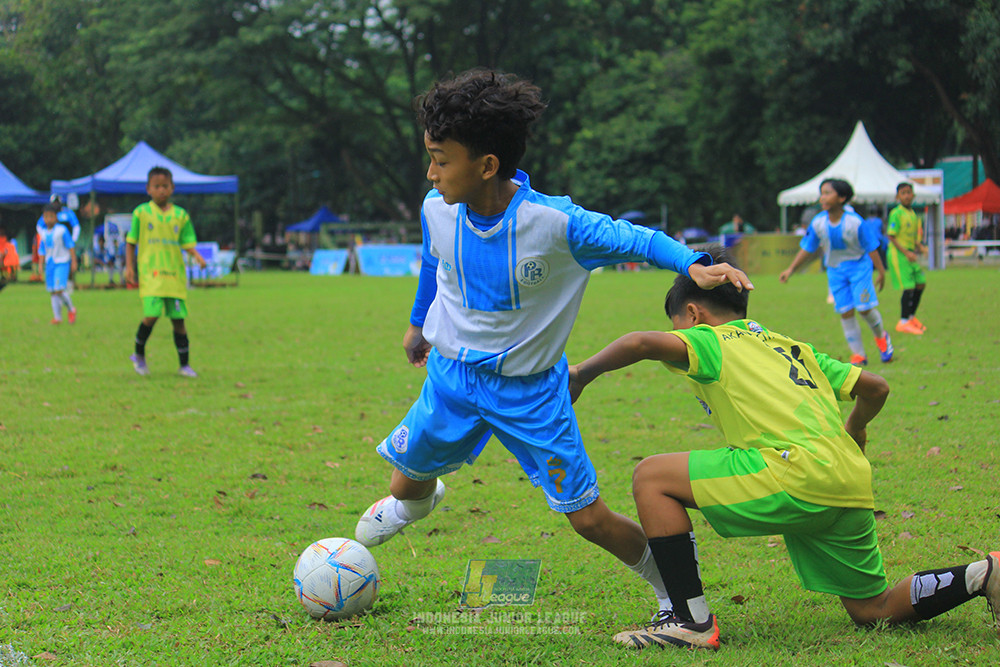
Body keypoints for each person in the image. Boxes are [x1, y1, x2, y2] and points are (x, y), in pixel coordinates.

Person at [352, 68, 753, 615]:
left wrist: (694, 264)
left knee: (586, 518)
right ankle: (414, 504)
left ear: (487, 165)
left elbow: (634, 236)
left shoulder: (556, 224)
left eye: (441, 160)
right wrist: (418, 323)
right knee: (405, 486)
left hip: (532, 394)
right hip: (451, 378)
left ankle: (674, 594)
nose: (430, 173)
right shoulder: (435, 210)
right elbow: (433, 262)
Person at [568, 250, 1000, 650]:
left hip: (794, 472)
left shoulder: (709, 340)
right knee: (874, 609)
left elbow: (641, 344)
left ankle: (690, 622)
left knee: (651, 477)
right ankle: (984, 574)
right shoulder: (794, 348)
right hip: (848, 480)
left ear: (694, 314)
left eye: (678, 322)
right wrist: (856, 429)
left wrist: (582, 374)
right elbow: (876, 387)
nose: (678, 334)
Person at [780, 178, 892, 366]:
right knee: (846, 311)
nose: (822, 197)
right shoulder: (818, 223)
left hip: (859, 268)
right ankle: (859, 355)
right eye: (821, 193)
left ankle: (882, 338)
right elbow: (808, 247)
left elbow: (871, 247)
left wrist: (880, 272)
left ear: (842, 198)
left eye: (827, 193)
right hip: (835, 271)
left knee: (864, 309)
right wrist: (791, 269)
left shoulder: (855, 222)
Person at [124, 166, 207, 378]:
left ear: (172, 188)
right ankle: (139, 355)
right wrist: (130, 267)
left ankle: (184, 365)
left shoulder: (181, 215)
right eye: (156, 186)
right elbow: (131, 242)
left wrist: (196, 256)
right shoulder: (141, 213)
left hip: (174, 276)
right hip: (151, 275)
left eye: (165, 186)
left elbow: (186, 242)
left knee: (178, 320)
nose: (161, 190)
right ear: (148, 189)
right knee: (151, 315)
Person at [887, 182, 927, 335]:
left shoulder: (913, 215)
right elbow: (891, 236)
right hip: (899, 254)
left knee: (921, 283)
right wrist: (906, 252)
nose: (907, 195)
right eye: (903, 193)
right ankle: (903, 322)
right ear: (898, 197)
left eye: (909, 192)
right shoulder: (896, 213)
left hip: (910, 253)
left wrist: (920, 247)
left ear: (913, 195)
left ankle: (911, 317)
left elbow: (915, 238)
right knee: (909, 286)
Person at [38, 203, 78, 323]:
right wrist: (40, 264)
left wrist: (74, 261)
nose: (48, 219)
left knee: (59, 289)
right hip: (50, 264)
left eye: (51, 216)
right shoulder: (43, 233)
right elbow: (42, 250)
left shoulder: (62, 230)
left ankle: (71, 308)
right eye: (45, 217)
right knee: (52, 291)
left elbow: (70, 246)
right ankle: (57, 317)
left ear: (56, 217)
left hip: (62, 262)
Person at [0, 225, 20, 291]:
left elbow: (3, 253)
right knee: (11, 269)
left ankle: (7, 279)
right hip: (15, 260)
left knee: (6, 267)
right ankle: (12, 278)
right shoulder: (13, 243)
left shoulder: (7, 245)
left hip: (9, 261)